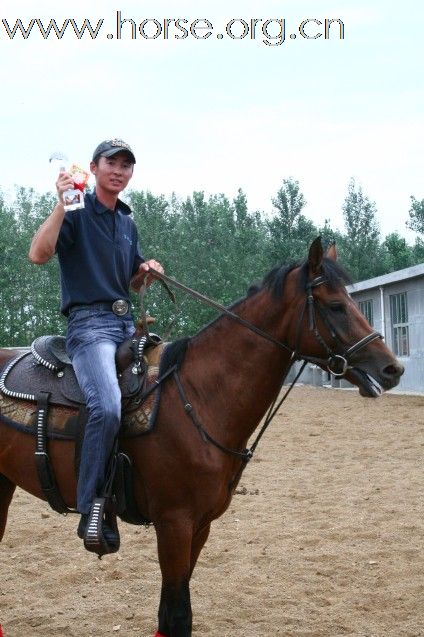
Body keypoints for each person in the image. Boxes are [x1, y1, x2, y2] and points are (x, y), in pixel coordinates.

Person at [28, 138, 164, 545]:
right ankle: (92, 507)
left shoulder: (126, 222)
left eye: (127, 164)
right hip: (89, 327)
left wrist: (145, 271)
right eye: (112, 162)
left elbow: (129, 279)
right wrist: (59, 203)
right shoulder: (75, 209)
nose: (119, 170)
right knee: (105, 405)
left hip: (126, 325)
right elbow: (37, 254)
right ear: (94, 166)